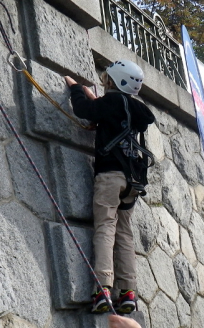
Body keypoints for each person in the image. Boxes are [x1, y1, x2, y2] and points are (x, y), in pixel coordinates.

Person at [64, 60, 155, 314]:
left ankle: (103, 288)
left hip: (110, 175)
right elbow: (105, 114)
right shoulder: (136, 109)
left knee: (105, 227)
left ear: (112, 81)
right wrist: (95, 103)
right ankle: (127, 293)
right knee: (124, 233)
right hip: (133, 180)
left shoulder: (111, 103)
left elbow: (85, 110)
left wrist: (75, 89)